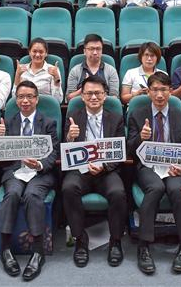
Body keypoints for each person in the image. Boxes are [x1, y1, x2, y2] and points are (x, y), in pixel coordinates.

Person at [127, 72, 181, 275]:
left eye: (164, 90)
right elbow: (129, 149)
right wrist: (141, 138)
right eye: (155, 90)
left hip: (175, 165)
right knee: (155, 188)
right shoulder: (137, 114)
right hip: (148, 165)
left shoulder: (180, 114)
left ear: (170, 91)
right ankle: (144, 246)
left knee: (176, 190)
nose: (159, 95)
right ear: (148, 92)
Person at [0, 81, 59, 281]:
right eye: (21, 97)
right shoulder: (8, 122)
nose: (25, 101)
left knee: (32, 195)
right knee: (12, 193)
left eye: (30, 96)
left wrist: (39, 165)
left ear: (37, 99)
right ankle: (6, 249)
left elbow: (53, 153)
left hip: (39, 172)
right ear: (16, 100)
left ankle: (38, 252)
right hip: (15, 170)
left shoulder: (48, 122)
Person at [63, 75, 127, 267]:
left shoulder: (115, 118)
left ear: (105, 95)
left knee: (118, 192)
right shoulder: (73, 117)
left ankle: (115, 241)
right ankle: (80, 240)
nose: (93, 97)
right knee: (68, 188)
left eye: (98, 93)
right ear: (82, 96)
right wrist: (70, 137)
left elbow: (120, 150)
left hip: (106, 169)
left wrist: (104, 166)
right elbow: (64, 151)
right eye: (89, 93)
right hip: (80, 170)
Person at [66, 33, 120, 100]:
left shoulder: (111, 70)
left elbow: (114, 98)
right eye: (91, 49)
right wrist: (83, 88)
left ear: (102, 50)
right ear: (84, 51)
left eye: (98, 49)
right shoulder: (75, 71)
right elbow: (69, 98)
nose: (95, 52)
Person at [14, 38, 63, 103]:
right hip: (24, 106)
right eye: (34, 51)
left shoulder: (53, 70)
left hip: (45, 106)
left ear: (46, 53)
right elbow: (14, 98)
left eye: (41, 52)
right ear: (29, 52)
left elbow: (58, 100)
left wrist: (56, 78)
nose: (37, 55)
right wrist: (17, 76)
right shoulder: (21, 70)